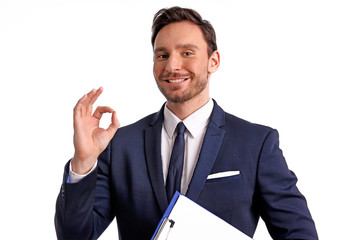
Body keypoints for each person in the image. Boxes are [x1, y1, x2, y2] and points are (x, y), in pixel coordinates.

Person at [55, 6, 318, 240]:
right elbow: (75, 237)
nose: (172, 66)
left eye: (187, 52)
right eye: (162, 55)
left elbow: (298, 233)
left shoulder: (255, 143)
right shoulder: (120, 145)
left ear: (213, 61)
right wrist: (83, 161)